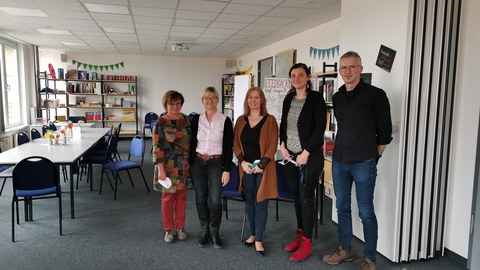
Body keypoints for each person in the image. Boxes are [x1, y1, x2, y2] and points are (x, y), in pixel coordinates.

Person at [322, 51, 392, 270]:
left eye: (352, 67)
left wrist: (374, 154)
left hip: (364, 162)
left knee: (365, 211)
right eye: (343, 67)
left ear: (360, 69)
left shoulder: (376, 95)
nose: (347, 71)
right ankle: (345, 249)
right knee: (341, 207)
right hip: (340, 160)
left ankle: (370, 258)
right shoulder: (338, 96)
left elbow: (385, 130)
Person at [280, 63, 326, 262]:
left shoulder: (315, 98)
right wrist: (282, 144)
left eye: (301, 75)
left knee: (307, 198)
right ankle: (300, 234)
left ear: (308, 77)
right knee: (296, 196)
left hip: (309, 157)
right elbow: (283, 122)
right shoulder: (289, 97)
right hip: (290, 157)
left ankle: (307, 242)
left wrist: (306, 152)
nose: (296, 78)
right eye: (293, 75)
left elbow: (320, 128)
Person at [233, 86, 278, 257]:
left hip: (263, 169)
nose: (253, 100)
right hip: (246, 168)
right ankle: (253, 233)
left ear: (262, 100)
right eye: (250, 97)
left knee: (261, 202)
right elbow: (236, 144)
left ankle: (259, 238)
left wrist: (262, 164)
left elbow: (273, 144)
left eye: (256, 97)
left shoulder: (270, 120)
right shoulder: (240, 120)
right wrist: (242, 162)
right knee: (250, 201)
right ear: (246, 100)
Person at [189, 86, 233, 249]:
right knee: (201, 198)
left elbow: (229, 147)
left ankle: (215, 232)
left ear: (218, 100)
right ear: (202, 101)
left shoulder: (225, 120)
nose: (210, 101)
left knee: (215, 200)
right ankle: (205, 231)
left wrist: (227, 169)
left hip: (216, 163)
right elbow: (191, 143)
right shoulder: (195, 120)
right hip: (198, 162)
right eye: (206, 98)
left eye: (213, 97)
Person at [152, 90, 191, 243]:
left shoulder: (186, 120)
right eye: (171, 103)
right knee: (168, 198)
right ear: (166, 104)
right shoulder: (160, 122)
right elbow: (157, 147)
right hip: (166, 166)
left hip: (184, 164)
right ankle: (169, 229)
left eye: (178, 103)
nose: (175, 106)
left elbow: (191, 142)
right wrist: (160, 169)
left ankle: (181, 227)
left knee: (181, 197)